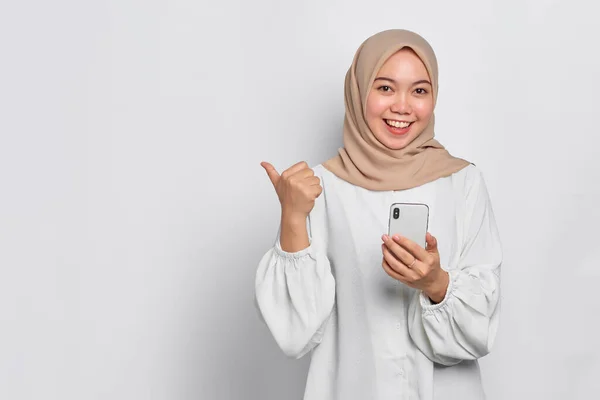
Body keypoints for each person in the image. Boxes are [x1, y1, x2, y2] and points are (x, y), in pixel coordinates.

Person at [255, 29, 502, 400]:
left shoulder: (462, 181)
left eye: (419, 90)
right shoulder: (321, 186)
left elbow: (482, 317)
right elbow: (296, 333)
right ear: (358, 91)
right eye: (385, 87)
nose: (402, 106)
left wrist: (436, 283)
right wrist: (292, 217)